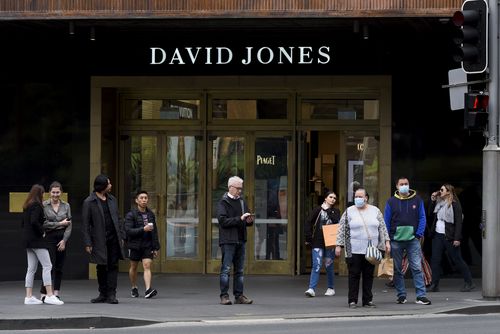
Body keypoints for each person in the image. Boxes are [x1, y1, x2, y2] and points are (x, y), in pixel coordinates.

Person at [336, 188, 390, 308]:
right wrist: (338, 245)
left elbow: (382, 227)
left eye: (360, 196)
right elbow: (341, 228)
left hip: (371, 249)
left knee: (368, 275)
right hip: (353, 249)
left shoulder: (375, 211)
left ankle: (367, 300)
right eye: (356, 197)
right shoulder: (349, 211)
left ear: (366, 198)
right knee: (354, 275)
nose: (358, 199)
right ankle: (352, 300)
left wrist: (387, 242)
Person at [384, 177, 431, 305]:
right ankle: (401, 295)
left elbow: (422, 217)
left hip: (413, 240)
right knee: (398, 270)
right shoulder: (391, 202)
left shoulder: (417, 200)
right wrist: (388, 238)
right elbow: (386, 221)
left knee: (416, 268)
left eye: (406, 184)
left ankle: (421, 296)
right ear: (397, 186)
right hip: (395, 241)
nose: (404, 186)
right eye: (402, 184)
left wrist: (418, 234)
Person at [82, 174, 126, 304]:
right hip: (98, 239)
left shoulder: (112, 199)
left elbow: (118, 218)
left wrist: (122, 235)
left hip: (113, 237)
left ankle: (112, 294)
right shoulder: (89, 202)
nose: (111, 185)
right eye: (109, 183)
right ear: (102, 186)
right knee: (101, 266)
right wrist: (88, 242)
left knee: (113, 265)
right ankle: (103, 293)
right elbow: (85, 225)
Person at [428, 184, 475, 292]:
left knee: (457, 259)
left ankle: (469, 282)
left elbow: (459, 222)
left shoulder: (454, 204)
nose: (440, 191)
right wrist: (433, 199)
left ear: (448, 192)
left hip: (449, 236)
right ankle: (434, 284)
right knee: (435, 260)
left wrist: (457, 238)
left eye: (442, 190)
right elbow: (430, 213)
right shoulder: (439, 203)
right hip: (438, 235)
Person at [22, 184, 64, 305]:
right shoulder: (37, 206)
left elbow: (23, 223)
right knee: (48, 266)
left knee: (31, 269)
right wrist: (42, 232)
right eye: (43, 193)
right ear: (40, 194)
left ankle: (28, 296)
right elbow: (34, 221)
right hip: (37, 241)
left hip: (28, 242)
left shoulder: (27, 206)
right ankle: (50, 295)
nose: (44, 195)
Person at [216, 176, 254, 305]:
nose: (239, 191)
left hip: (240, 239)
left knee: (240, 270)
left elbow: (245, 220)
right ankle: (224, 296)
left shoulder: (242, 202)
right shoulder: (223, 202)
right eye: (238, 189)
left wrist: (249, 220)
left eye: (241, 189)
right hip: (228, 240)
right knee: (226, 269)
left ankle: (239, 296)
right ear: (230, 188)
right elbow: (223, 221)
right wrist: (240, 219)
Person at [39, 181, 72, 302]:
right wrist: (59, 223)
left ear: (61, 193)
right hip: (49, 238)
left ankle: (56, 292)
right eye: (53, 192)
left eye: (58, 192)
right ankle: (44, 293)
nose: (55, 194)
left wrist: (64, 240)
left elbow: (69, 225)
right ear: (49, 193)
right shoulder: (44, 205)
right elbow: (44, 224)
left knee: (59, 266)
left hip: (62, 237)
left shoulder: (66, 205)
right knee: (49, 266)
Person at [304, 191, 340, 297]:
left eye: (334, 198)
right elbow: (308, 222)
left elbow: (337, 221)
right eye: (330, 197)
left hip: (330, 241)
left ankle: (331, 287)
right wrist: (309, 237)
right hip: (318, 241)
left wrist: (328, 210)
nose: (333, 199)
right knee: (317, 264)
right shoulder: (317, 210)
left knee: (329, 265)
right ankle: (311, 288)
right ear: (325, 198)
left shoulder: (336, 211)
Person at [125, 190, 160, 299]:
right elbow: (128, 231)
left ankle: (148, 290)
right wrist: (143, 229)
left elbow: (154, 231)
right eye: (141, 198)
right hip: (135, 245)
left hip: (147, 244)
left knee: (147, 265)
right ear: (136, 200)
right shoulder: (131, 215)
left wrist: (155, 247)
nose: (144, 200)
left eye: (146, 198)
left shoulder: (150, 214)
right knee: (133, 267)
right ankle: (134, 287)